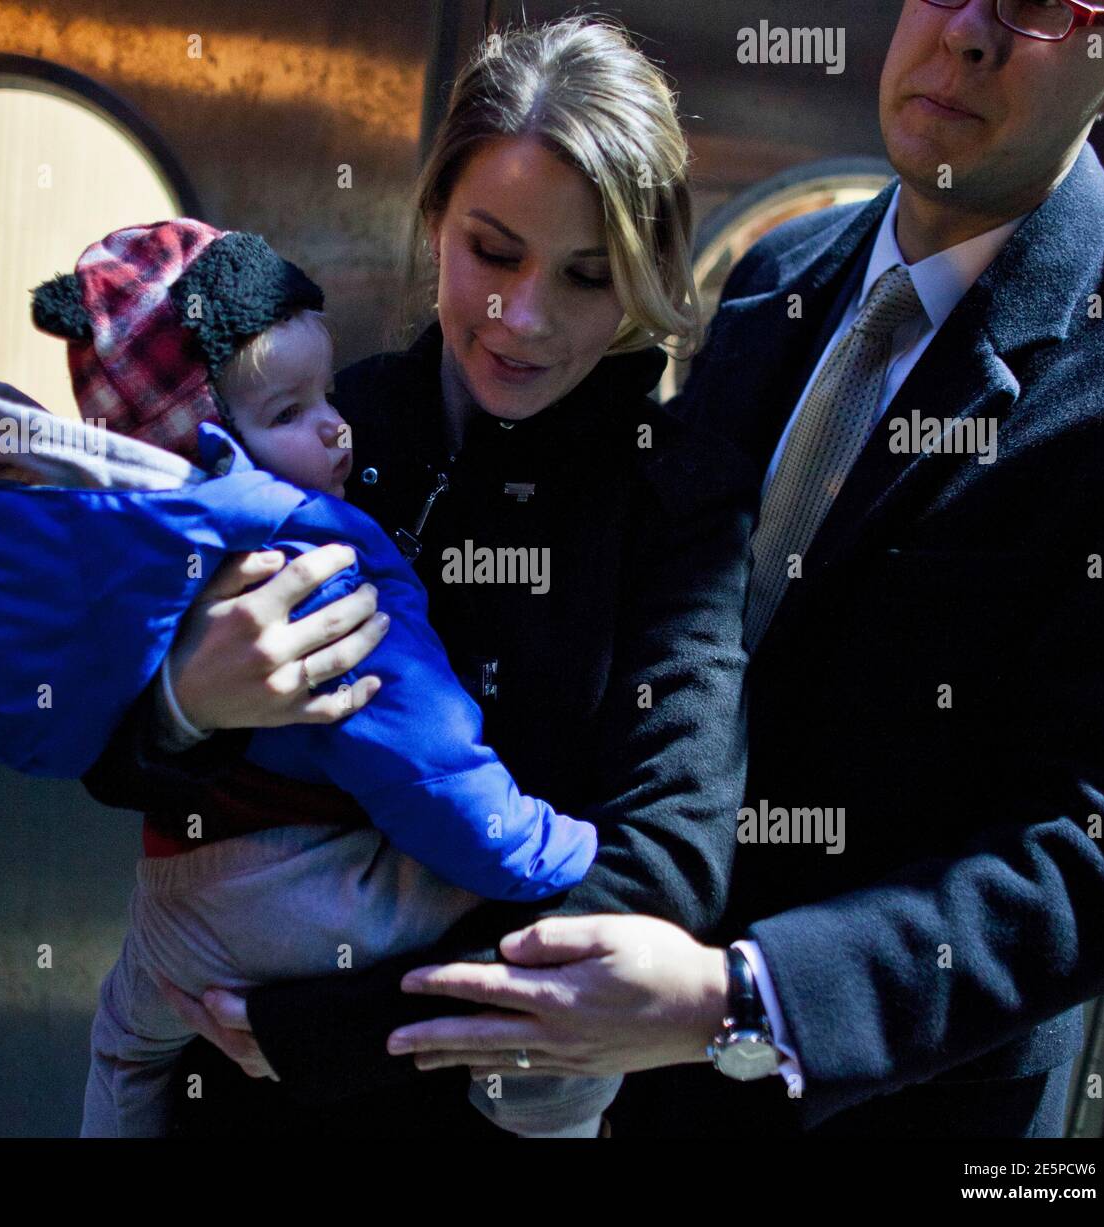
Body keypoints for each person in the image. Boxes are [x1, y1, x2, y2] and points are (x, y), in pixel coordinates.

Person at [383, 0, 1104, 1139]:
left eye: (1040, 6)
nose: (972, 36)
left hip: (897, 1109)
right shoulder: (774, 272)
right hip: (633, 1091)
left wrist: (747, 998)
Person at [78, 16, 757, 1137]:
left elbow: (668, 861)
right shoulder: (316, 423)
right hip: (221, 1078)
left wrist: (346, 1031)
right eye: (493, 252)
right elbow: (101, 744)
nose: (524, 318)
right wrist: (181, 704)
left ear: (643, 278)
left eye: (588, 276)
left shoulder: (679, 492)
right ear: (434, 217)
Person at [0, 216, 642, 1137]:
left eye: (587, 272)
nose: (337, 426)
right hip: (295, 897)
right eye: (497, 253)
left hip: (175, 897)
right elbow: (424, 757)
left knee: (121, 1045)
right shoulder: (321, 541)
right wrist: (548, 849)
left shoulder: (146, 531)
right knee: (546, 1000)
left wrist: (180, 700)